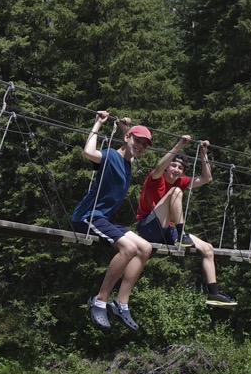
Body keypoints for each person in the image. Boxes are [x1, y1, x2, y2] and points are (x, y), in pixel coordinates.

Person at [71, 111, 153, 332]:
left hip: (103, 218)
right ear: (127, 139)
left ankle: (122, 302)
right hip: (87, 216)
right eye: (138, 141)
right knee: (128, 248)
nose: (141, 147)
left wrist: (125, 127)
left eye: (145, 145)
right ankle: (100, 300)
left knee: (145, 248)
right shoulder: (110, 156)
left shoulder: (128, 162)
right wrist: (98, 123)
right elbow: (88, 152)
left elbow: (131, 148)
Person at [134, 136, 236, 308]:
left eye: (180, 167)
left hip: (167, 231)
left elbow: (206, 178)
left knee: (208, 249)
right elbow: (159, 165)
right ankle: (181, 235)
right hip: (148, 227)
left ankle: (214, 293)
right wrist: (180, 145)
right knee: (175, 192)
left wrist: (203, 154)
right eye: (173, 165)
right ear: (167, 167)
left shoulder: (182, 181)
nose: (176, 169)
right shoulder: (156, 177)